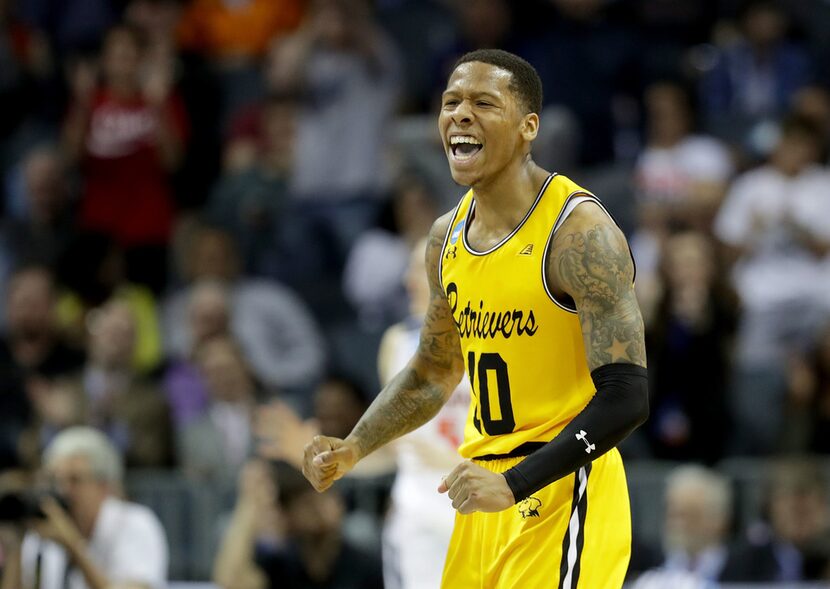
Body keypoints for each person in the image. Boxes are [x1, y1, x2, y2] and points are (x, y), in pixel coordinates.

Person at [301, 49, 648, 588]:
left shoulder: (578, 234)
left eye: (484, 103)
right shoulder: (445, 238)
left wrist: (518, 482)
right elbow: (433, 372)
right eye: (451, 103)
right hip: (479, 490)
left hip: (561, 485)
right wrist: (355, 445)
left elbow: (627, 395)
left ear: (528, 126)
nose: (460, 115)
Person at [0, 426, 168, 589]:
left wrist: (73, 547)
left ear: (104, 487)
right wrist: (16, 546)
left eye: (75, 480)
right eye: (54, 480)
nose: (63, 490)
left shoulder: (135, 524)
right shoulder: (42, 533)